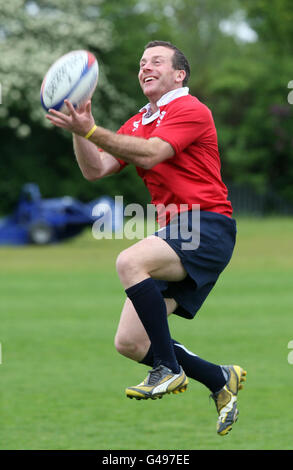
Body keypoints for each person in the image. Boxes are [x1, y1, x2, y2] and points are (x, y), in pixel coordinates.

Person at [46, 40, 246, 436]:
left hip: (207, 226)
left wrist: (91, 128)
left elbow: (153, 154)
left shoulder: (189, 109)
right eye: (141, 63)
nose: (144, 67)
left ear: (179, 74)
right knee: (131, 342)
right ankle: (219, 378)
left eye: (156, 61)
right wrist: (80, 127)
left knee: (129, 261)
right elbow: (97, 169)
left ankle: (169, 369)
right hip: (174, 230)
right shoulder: (140, 119)